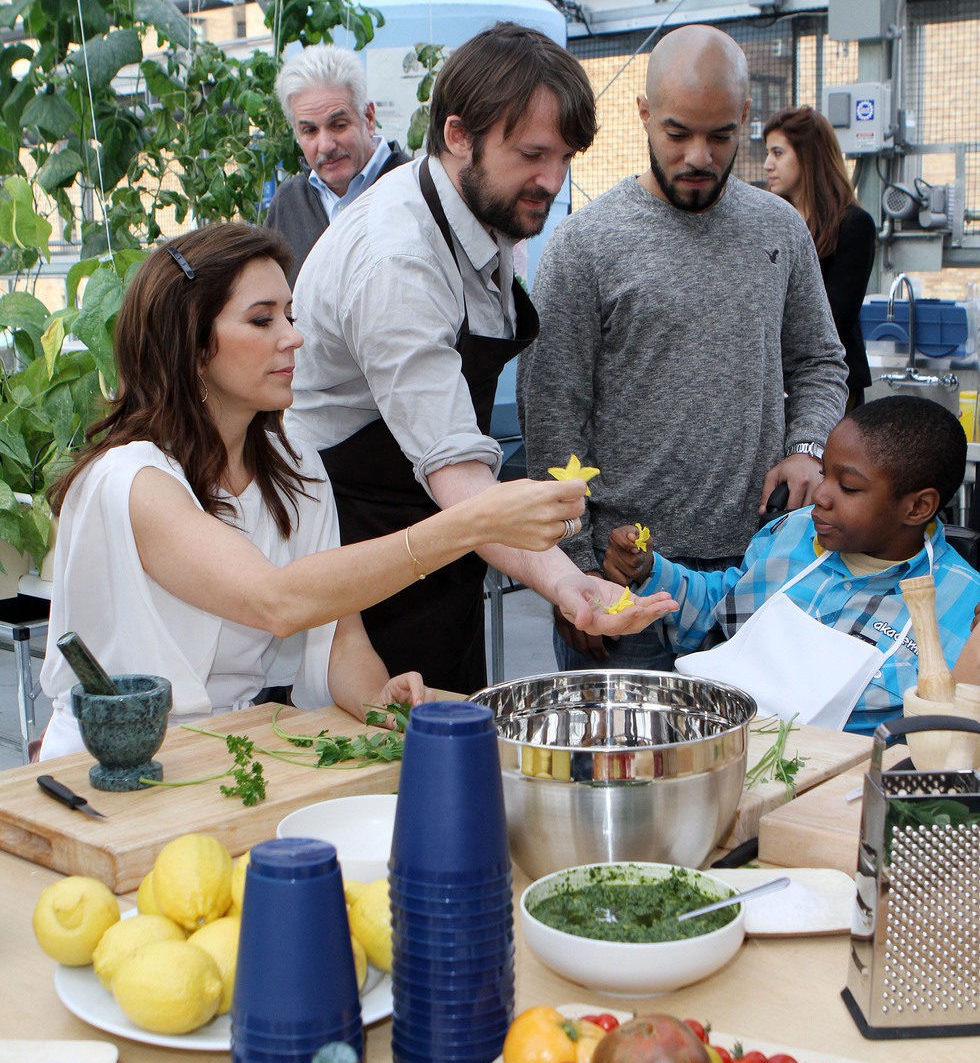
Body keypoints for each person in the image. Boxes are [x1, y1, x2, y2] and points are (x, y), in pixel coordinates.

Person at [37, 224, 590, 760]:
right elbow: (276, 601)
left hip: (222, 755)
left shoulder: (294, 467)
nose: (293, 336)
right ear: (193, 342)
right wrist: (474, 523)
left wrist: (378, 699)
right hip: (104, 766)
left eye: (291, 315)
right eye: (262, 319)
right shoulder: (131, 478)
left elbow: (339, 636)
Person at [286, 22, 676, 694]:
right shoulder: (397, 263)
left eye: (564, 158)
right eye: (531, 155)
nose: (551, 180)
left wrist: (564, 582)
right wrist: (568, 583)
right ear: (458, 135)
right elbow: (460, 481)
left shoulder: (472, 209)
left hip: (442, 540)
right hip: (359, 548)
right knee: (389, 766)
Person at [518, 23, 849, 674]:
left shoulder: (779, 229)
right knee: (619, 771)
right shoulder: (586, 246)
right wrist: (577, 568)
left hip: (755, 576)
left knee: (757, 769)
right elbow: (553, 417)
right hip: (626, 577)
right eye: (677, 133)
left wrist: (808, 448)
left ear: (746, 119)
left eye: (719, 134)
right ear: (643, 115)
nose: (698, 154)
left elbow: (819, 361)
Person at [603, 397, 980, 735]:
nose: (820, 495)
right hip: (721, 742)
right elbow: (721, 607)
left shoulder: (963, 603)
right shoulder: (794, 532)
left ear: (917, 508)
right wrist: (650, 570)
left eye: (847, 487)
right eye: (825, 474)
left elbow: (946, 740)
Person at [265, 44, 411, 286]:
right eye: (309, 130)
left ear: (369, 117)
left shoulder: (416, 189)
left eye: (338, 125)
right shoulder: (288, 203)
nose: (325, 145)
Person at [764, 105, 876, 408]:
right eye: (768, 153)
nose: (767, 164)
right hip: (776, 383)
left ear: (808, 155)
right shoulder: (771, 223)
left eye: (778, 153)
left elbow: (835, 315)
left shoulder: (853, 224)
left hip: (831, 386)